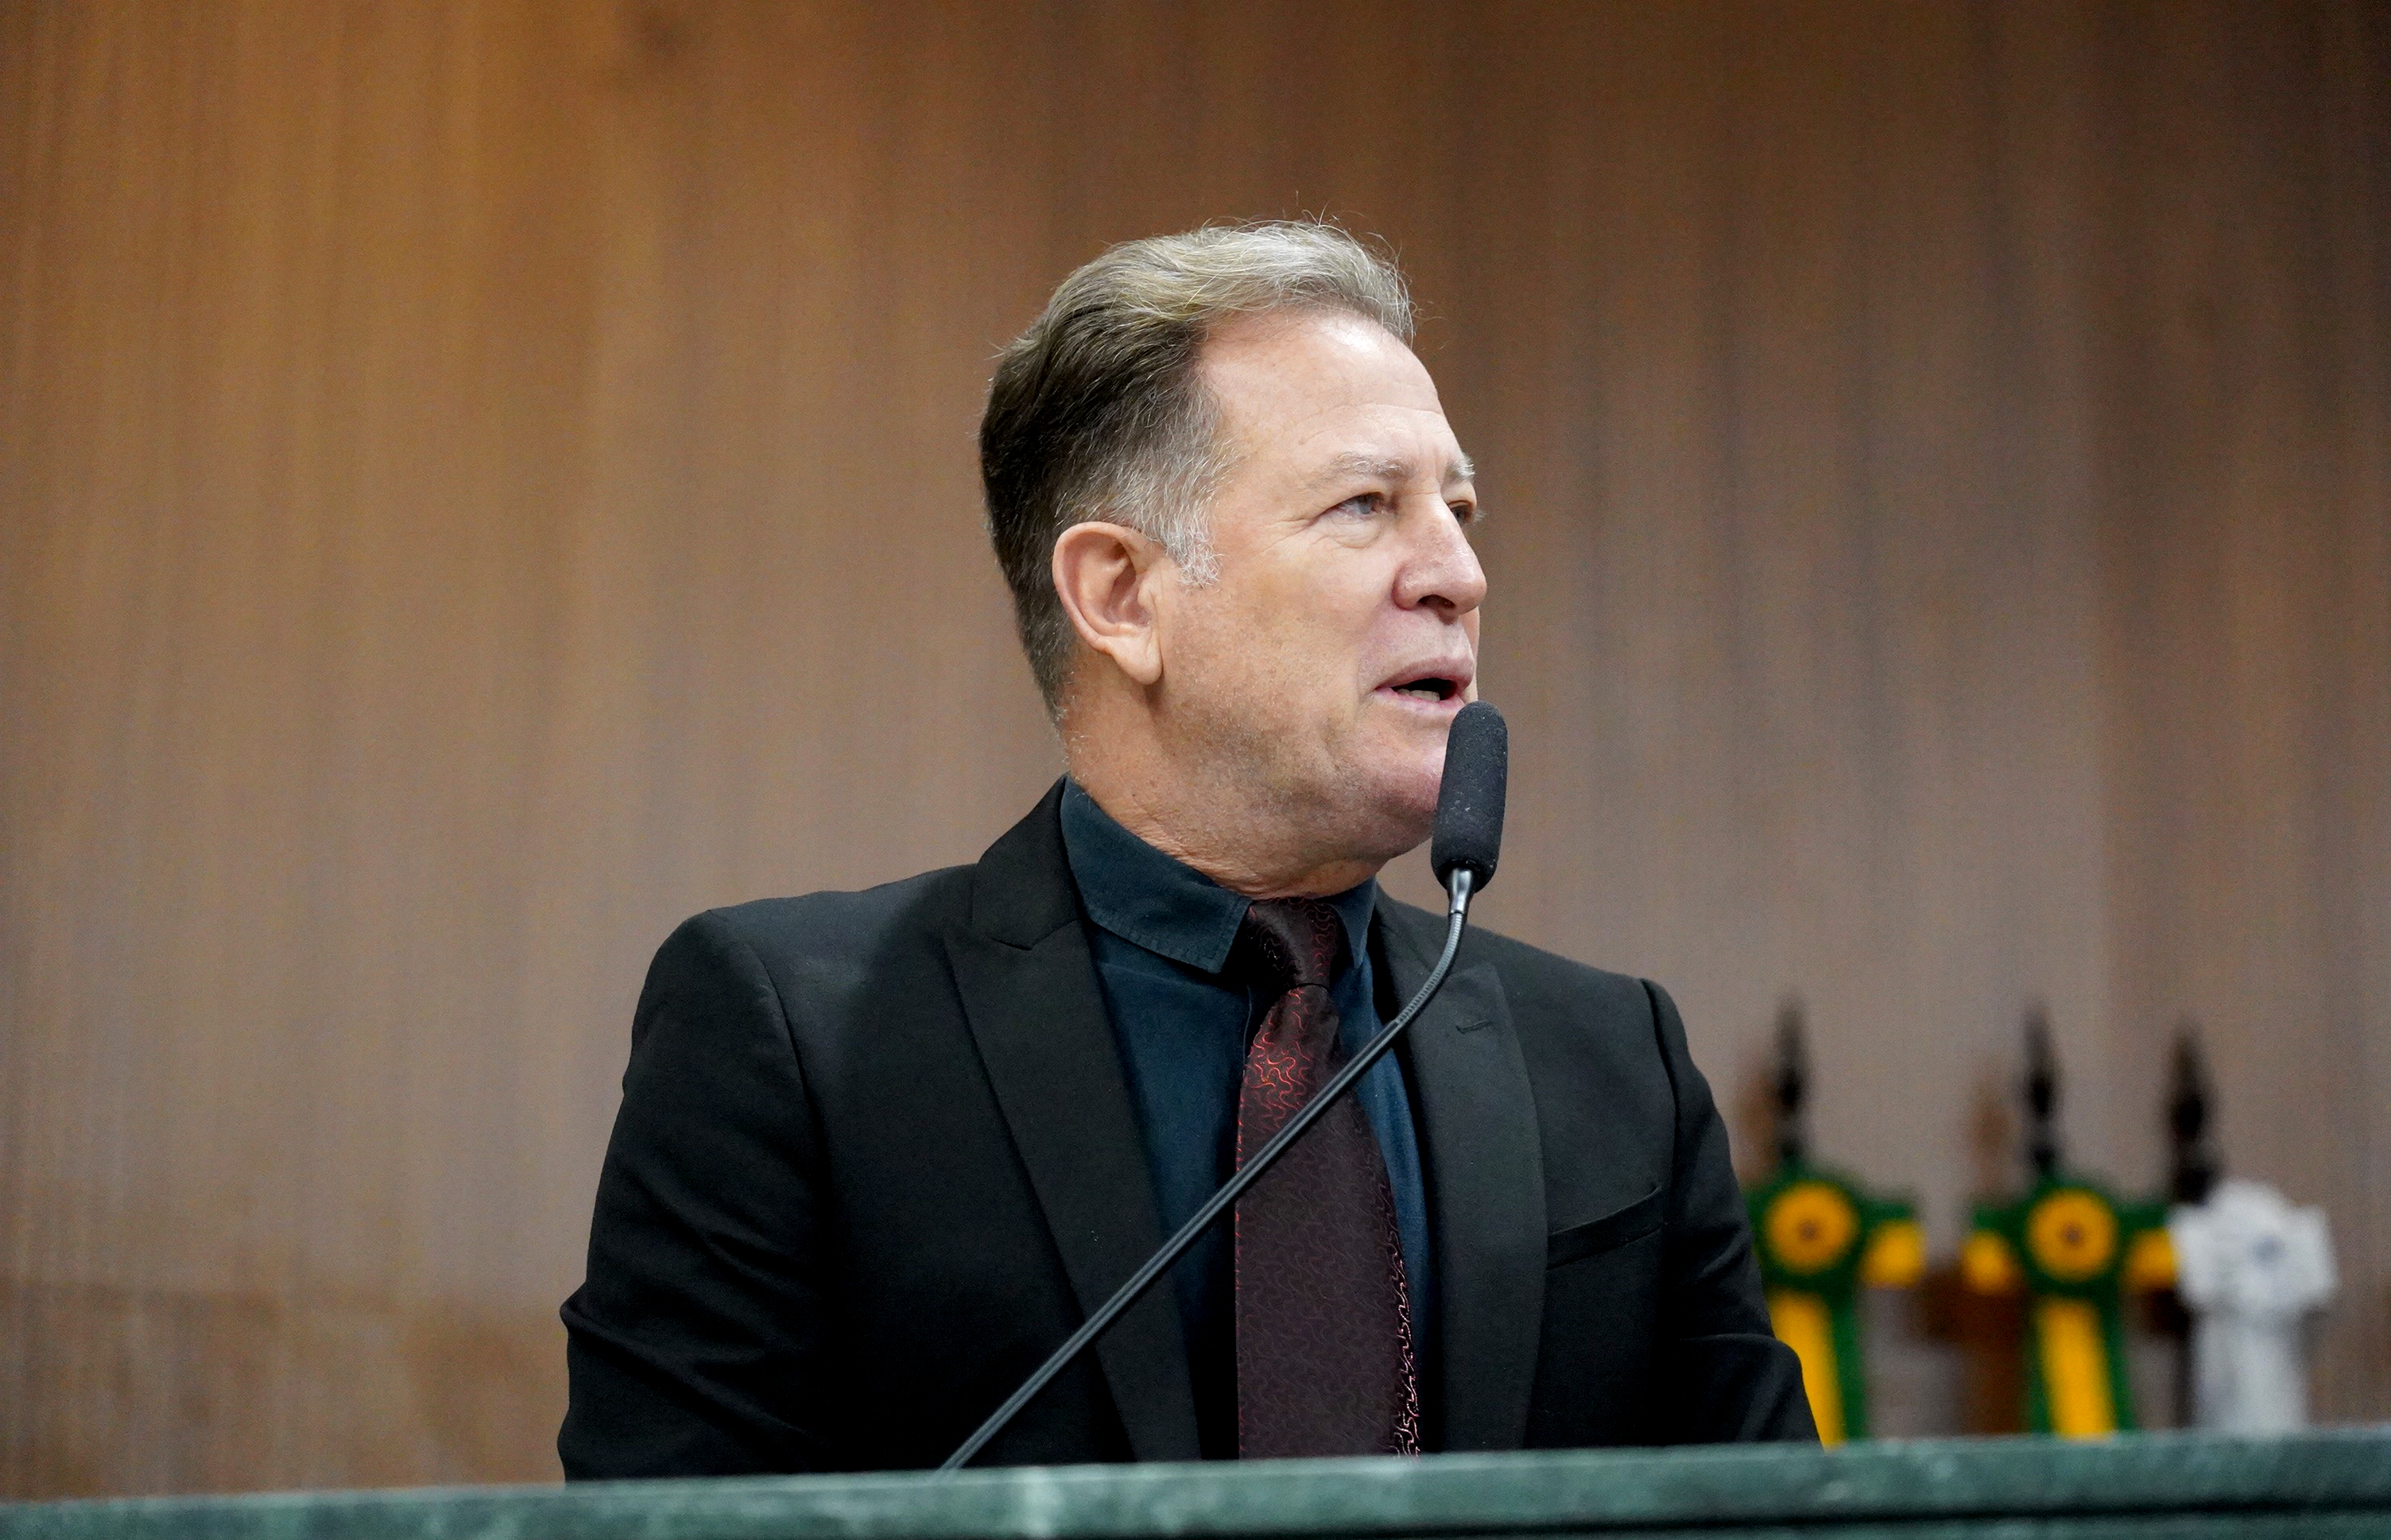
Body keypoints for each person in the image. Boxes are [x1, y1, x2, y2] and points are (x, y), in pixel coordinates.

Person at [559, 222, 1813, 1476]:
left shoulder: (1615, 1063)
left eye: (1460, 508)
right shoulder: (798, 1039)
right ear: (1120, 595)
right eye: (1365, 505)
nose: (1460, 574)